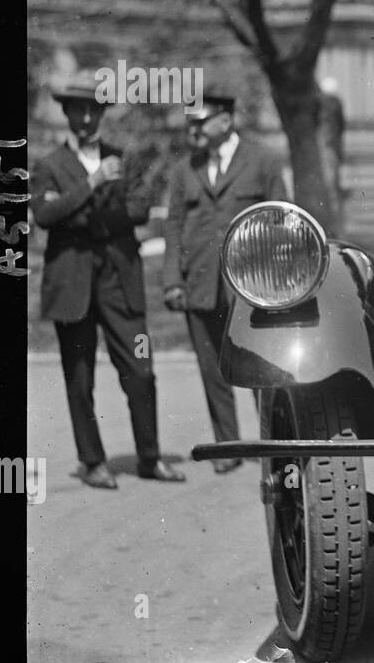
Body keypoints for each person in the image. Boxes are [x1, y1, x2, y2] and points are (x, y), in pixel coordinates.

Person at [31, 77, 185, 488]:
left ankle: (150, 458)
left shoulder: (124, 158)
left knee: (142, 367)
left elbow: (137, 209)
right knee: (79, 379)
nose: (85, 118)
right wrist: (95, 184)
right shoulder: (48, 166)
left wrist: (77, 216)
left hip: (121, 284)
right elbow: (44, 217)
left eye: (92, 110)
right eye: (77, 111)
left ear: (101, 113)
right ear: (67, 114)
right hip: (72, 288)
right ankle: (93, 461)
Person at [162, 86, 287, 472]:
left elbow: (281, 222)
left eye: (200, 120)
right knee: (212, 368)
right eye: (191, 121)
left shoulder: (262, 161)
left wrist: (279, 283)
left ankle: (276, 447)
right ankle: (228, 448)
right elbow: (174, 226)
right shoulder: (186, 169)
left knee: (263, 367)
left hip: (251, 286)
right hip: (200, 283)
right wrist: (172, 280)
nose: (193, 128)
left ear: (226, 120)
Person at [318, 76, 346, 234]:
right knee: (332, 191)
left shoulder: (327, 104)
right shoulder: (333, 103)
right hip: (329, 150)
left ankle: (333, 228)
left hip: (328, 150)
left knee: (331, 191)